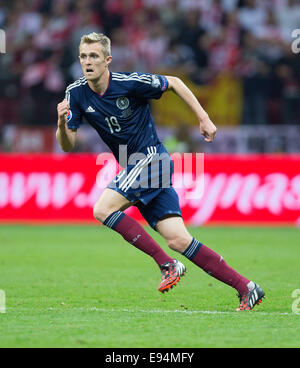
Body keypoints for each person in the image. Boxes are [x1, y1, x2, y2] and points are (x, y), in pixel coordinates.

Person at [56, 32, 265, 311]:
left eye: (94, 56)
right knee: (178, 239)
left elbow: (175, 83)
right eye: (83, 56)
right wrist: (61, 123)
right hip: (137, 168)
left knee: (102, 209)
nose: (87, 61)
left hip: (151, 160)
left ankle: (167, 265)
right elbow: (67, 145)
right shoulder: (76, 93)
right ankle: (247, 287)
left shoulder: (129, 83)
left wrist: (203, 118)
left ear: (107, 60)